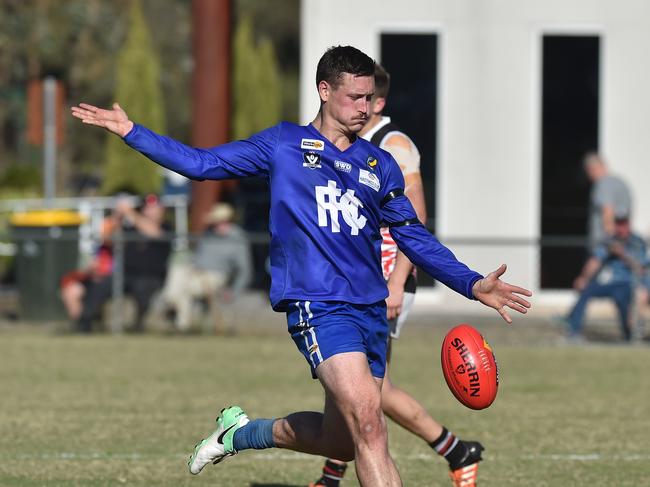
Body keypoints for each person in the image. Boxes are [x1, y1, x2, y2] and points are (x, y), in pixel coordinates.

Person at [72, 45, 532, 486]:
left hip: (369, 309)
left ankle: (240, 434)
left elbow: (413, 236)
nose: (366, 108)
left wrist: (472, 284)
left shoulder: (380, 164)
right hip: (319, 304)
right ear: (324, 90)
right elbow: (201, 164)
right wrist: (133, 132)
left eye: (370, 98)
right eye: (355, 97)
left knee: (346, 441)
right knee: (371, 425)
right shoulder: (284, 145)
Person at [310, 64, 483, 487]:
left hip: (386, 282)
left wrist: (396, 283)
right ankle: (334, 472)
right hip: (354, 283)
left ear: (379, 102)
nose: (358, 105)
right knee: (350, 383)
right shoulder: (348, 141)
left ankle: (457, 450)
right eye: (352, 96)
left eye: (365, 98)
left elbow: (416, 217)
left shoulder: (394, 144)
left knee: (373, 390)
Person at [76, 194, 171, 333]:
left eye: (153, 207)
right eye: (146, 207)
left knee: (143, 290)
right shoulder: (131, 227)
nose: (148, 211)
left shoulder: (167, 227)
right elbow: (108, 239)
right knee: (99, 286)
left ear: (162, 210)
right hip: (126, 275)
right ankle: (85, 325)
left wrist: (129, 212)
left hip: (151, 277)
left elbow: (153, 232)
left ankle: (139, 326)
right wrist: (117, 217)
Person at [161, 202, 252, 332]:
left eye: (222, 221)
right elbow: (196, 256)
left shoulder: (238, 239)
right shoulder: (208, 234)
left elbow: (244, 270)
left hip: (216, 276)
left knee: (184, 288)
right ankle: (173, 303)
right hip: (194, 270)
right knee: (177, 267)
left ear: (229, 221)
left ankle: (181, 323)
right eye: (216, 222)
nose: (218, 225)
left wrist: (233, 291)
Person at [566, 216, 646, 342]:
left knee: (624, 302)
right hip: (607, 282)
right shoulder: (609, 241)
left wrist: (623, 254)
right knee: (586, 290)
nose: (620, 228)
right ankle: (574, 332)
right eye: (618, 224)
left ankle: (628, 336)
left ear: (628, 225)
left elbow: (641, 268)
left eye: (623, 224)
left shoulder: (637, 242)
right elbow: (595, 261)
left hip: (626, 283)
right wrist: (583, 278)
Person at [584, 153, 632, 251]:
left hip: (606, 247)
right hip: (621, 244)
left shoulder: (603, 185)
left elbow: (608, 211)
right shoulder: (619, 182)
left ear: (591, 169)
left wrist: (611, 242)